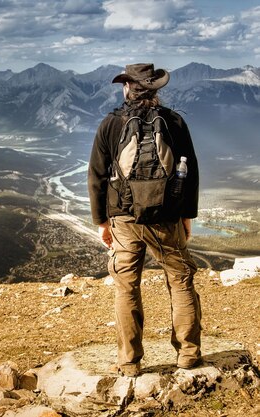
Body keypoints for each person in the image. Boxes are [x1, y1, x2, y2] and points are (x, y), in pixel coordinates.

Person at [87, 63, 202, 377]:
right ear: (156, 89)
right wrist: (186, 216)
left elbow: (97, 176)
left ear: (127, 88)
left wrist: (102, 221)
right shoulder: (174, 121)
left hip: (124, 220)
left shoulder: (111, 123)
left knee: (126, 288)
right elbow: (189, 173)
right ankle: (188, 356)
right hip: (167, 219)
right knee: (180, 283)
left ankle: (130, 362)